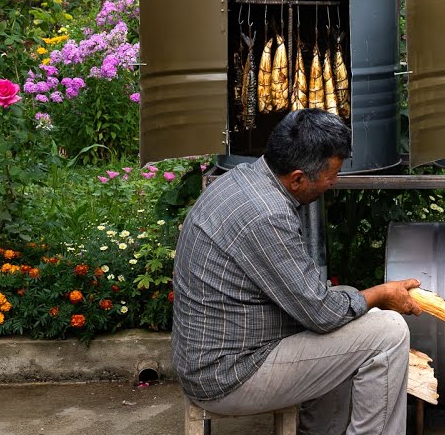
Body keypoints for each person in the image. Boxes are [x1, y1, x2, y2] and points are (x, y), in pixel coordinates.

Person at [172, 108, 423, 435]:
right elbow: (322, 314)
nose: (334, 183)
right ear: (298, 178)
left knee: (349, 304)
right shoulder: (267, 216)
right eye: (331, 176)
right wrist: (382, 294)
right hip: (229, 374)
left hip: (219, 355)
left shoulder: (243, 177)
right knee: (388, 331)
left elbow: (317, 304)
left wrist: (363, 300)